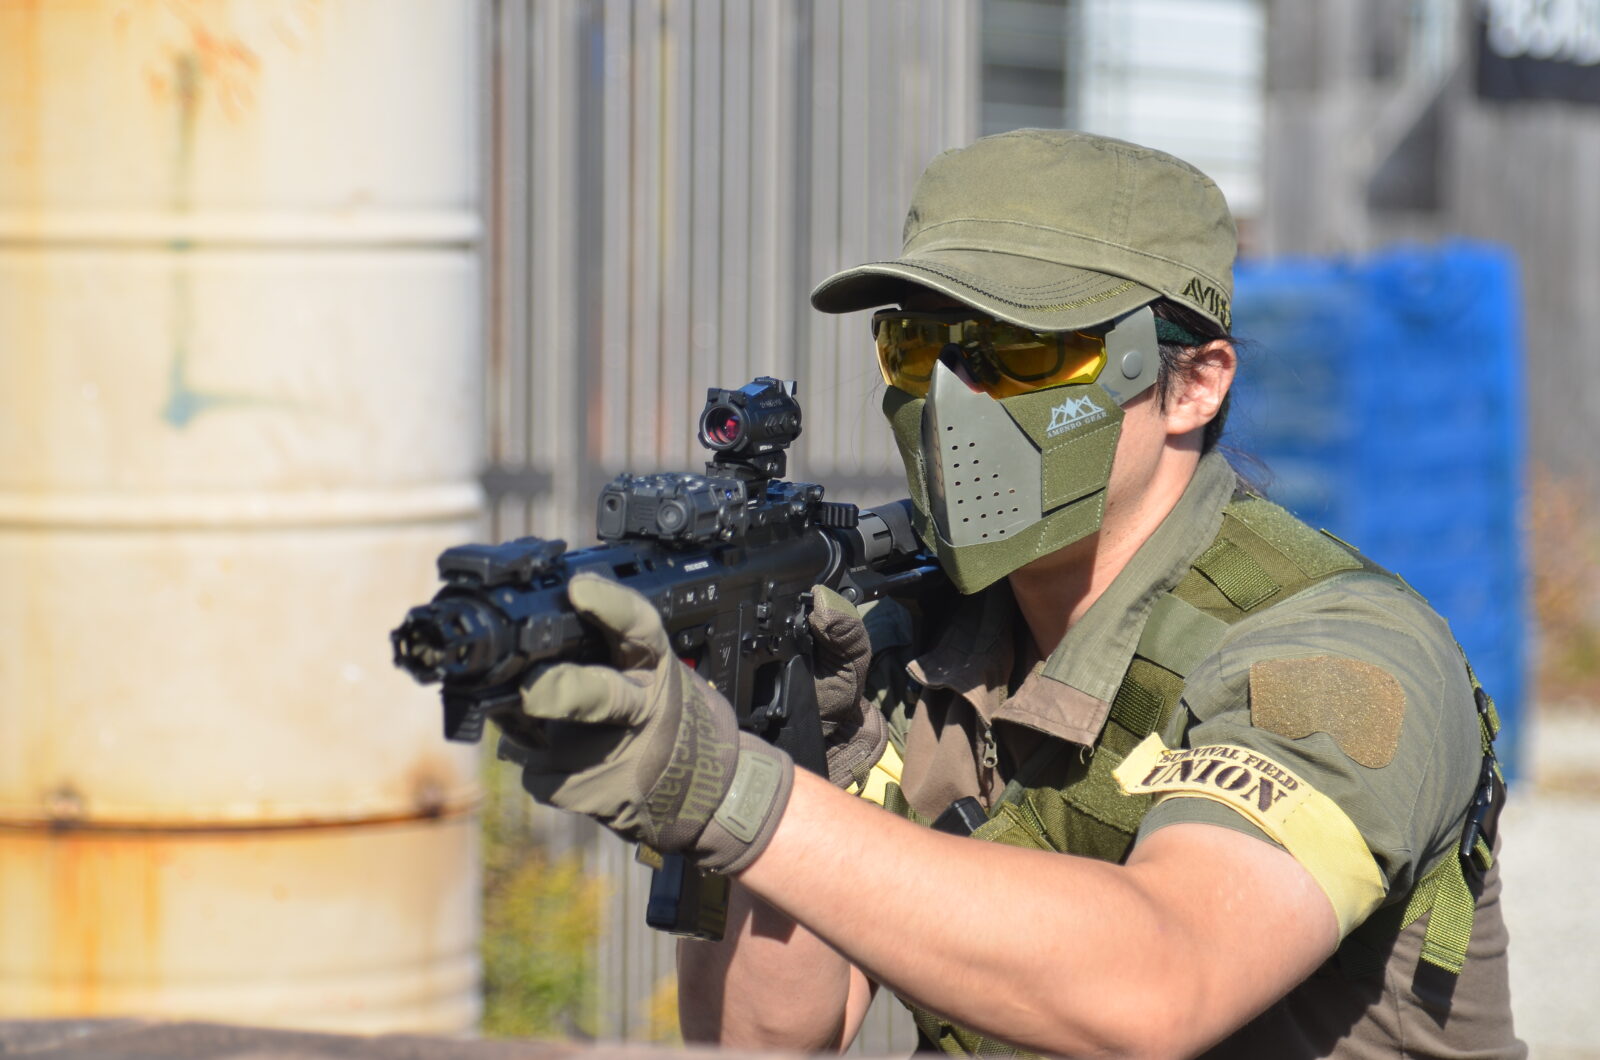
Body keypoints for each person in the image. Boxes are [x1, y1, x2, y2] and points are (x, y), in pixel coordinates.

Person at [507, 130, 1523, 1058]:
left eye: (1027, 353)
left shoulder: (1334, 658)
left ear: (1193, 382)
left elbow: (1160, 982)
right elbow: (767, 1035)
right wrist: (770, 741)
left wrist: (731, 789)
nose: (955, 401)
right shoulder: (923, 644)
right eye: (920, 346)